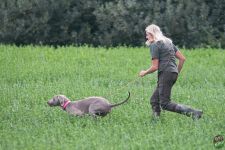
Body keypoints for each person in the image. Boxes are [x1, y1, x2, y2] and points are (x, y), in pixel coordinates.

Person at [139, 24, 203, 120]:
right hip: (172, 74)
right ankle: (155, 122)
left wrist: (144, 72)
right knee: (154, 100)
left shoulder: (154, 45)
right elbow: (182, 59)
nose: (146, 37)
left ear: (152, 34)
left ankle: (194, 113)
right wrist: (176, 72)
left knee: (165, 104)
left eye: (147, 34)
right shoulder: (168, 42)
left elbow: (155, 67)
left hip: (165, 74)